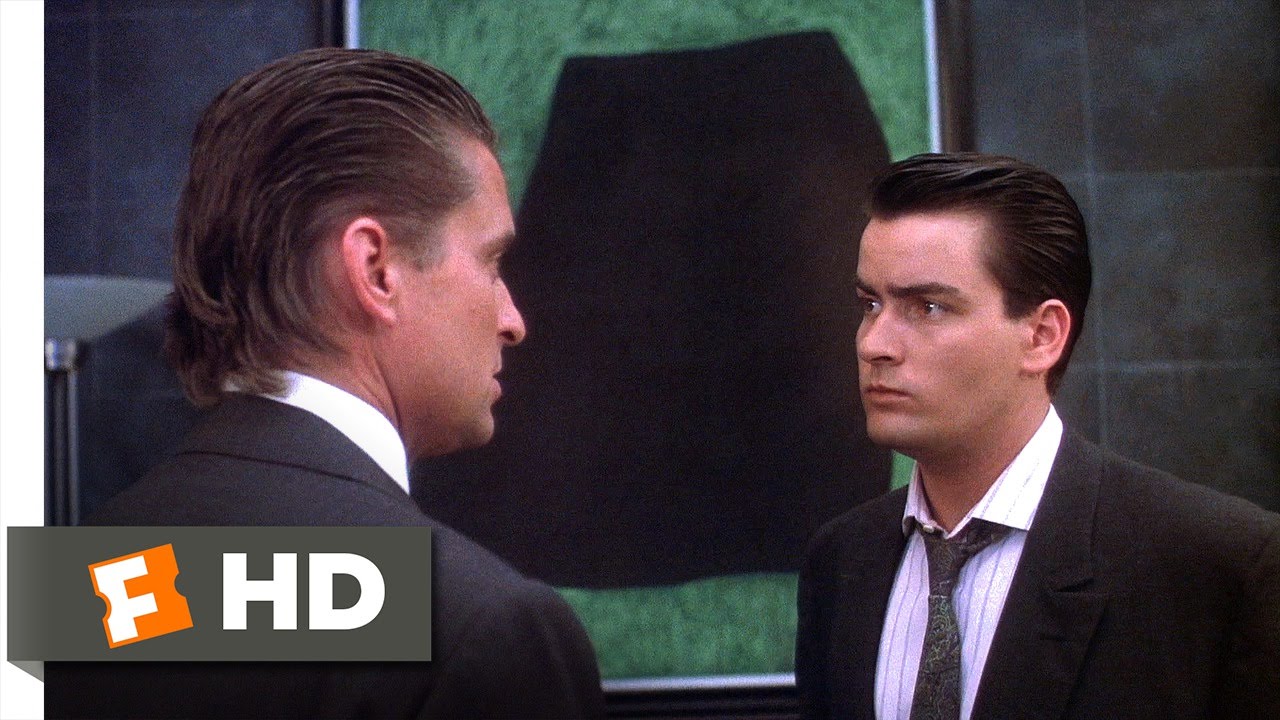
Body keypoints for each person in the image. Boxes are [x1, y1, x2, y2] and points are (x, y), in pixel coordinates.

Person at [45, 48, 605, 718]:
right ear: (375, 269)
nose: (512, 321)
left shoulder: (65, 598)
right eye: (491, 262)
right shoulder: (482, 630)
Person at [795, 152, 1280, 720]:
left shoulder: (1214, 565)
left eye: (927, 307)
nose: (874, 343)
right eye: (870, 304)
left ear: (1043, 335)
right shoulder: (841, 562)